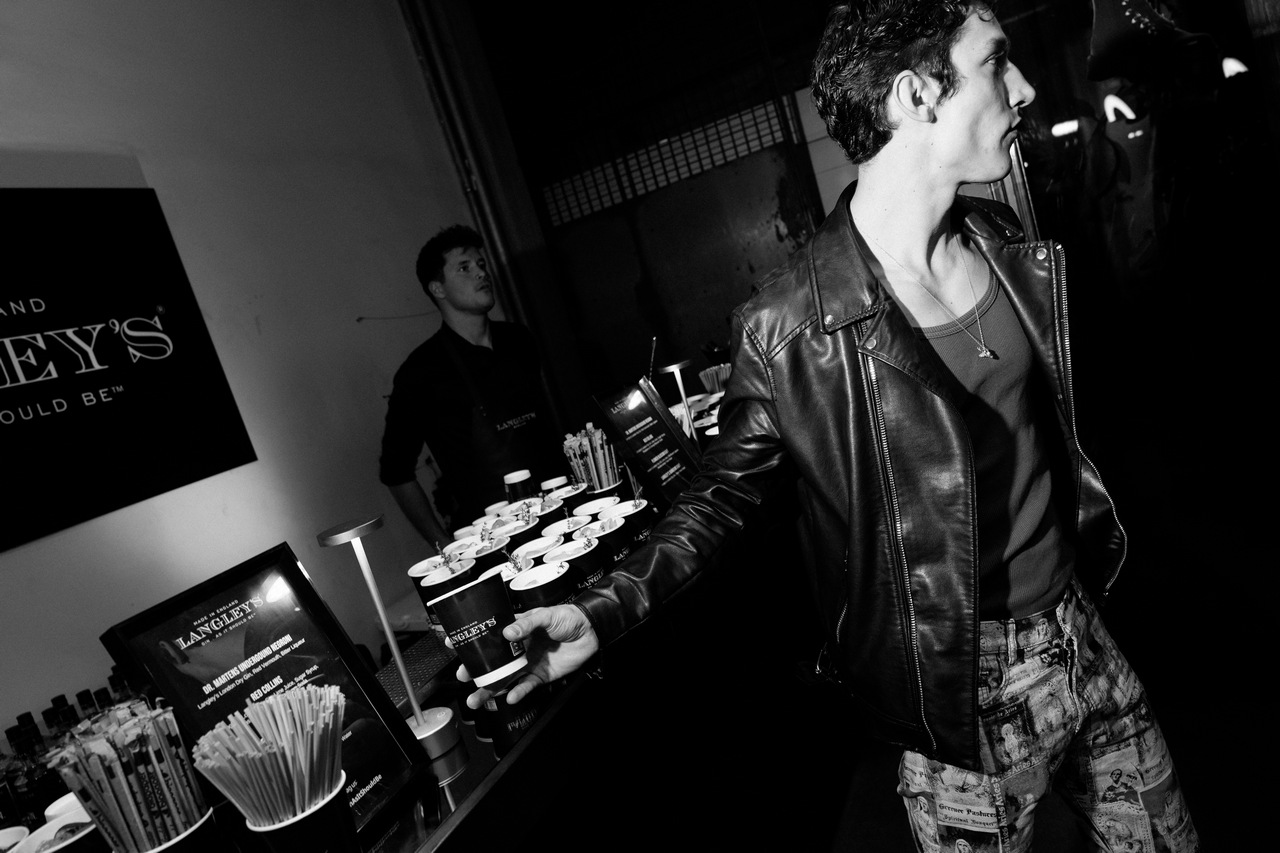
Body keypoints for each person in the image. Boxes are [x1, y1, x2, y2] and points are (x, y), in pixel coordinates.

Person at [462, 2, 1198, 850]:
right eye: (998, 62)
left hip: (1083, 628)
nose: (1025, 88)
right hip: (964, 688)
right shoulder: (789, 327)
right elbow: (718, 501)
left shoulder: (1000, 239)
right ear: (917, 96)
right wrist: (603, 609)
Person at [379, 224, 564, 552]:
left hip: (559, 508)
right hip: (493, 539)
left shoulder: (518, 340)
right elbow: (396, 473)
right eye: (464, 268)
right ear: (437, 288)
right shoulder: (420, 372)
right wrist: (446, 547)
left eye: (481, 264)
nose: (481, 273)